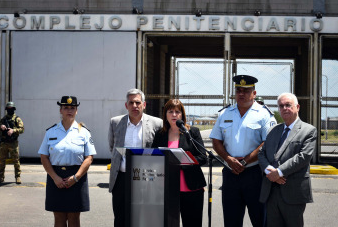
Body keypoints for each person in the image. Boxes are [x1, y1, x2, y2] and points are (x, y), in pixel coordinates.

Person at [209, 75, 276, 227]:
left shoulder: (264, 114)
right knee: (231, 221)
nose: (241, 94)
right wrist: (228, 159)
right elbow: (216, 140)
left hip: (255, 175)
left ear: (254, 93)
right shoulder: (224, 113)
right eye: (238, 90)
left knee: (260, 220)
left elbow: (268, 143)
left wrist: (245, 161)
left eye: (246, 90)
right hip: (230, 173)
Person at [258, 93, 317, 227]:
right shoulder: (273, 130)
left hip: (293, 192)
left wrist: (278, 172)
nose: (284, 108)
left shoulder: (309, 130)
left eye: (288, 105)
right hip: (271, 192)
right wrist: (270, 172)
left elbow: (303, 157)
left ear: (297, 107)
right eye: (281, 106)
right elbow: (262, 154)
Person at [38, 96, 96, 227]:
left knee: (74, 217)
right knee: (58, 216)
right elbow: (44, 156)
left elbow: (89, 158)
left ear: (76, 111)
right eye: (66, 108)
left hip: (77, 177)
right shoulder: (51, 132)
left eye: (72, 108)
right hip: (56, 177)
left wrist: (76, 177)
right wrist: (55, 177)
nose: (69, 110)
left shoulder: (84, 132)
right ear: (60, 110)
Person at [108, 88, 163, 227]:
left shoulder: (157, 123)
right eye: (131, 102)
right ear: (126, 105)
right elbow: (112, 147)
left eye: (138, 102)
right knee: (120, 217)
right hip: (121, 177)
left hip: (146, 179)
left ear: (144, 105)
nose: (134, 106)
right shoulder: (115, 122)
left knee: (143, 218)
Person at [152, 99, 207, 227]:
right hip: (167, 190)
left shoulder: (192, 132)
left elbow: (203, 157)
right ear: (165, 114)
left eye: (177, 112)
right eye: (170, 111)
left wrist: (181, 163)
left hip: (192, 188)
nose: (174, 115)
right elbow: (154, 158)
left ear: (182, 115)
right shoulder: (160, 134)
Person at [0, 101, 24, 184]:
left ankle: (18, 177)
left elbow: (22, 129)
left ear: (14, 109)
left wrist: (13, 130)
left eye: (11, 109)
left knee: (16, 160)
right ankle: (1, 177)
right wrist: (1, 126)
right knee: (2, 161)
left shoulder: (17, 119)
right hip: (4, 143)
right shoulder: (3, 119)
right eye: (8, 109)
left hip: (13, 143)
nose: (10, 110)